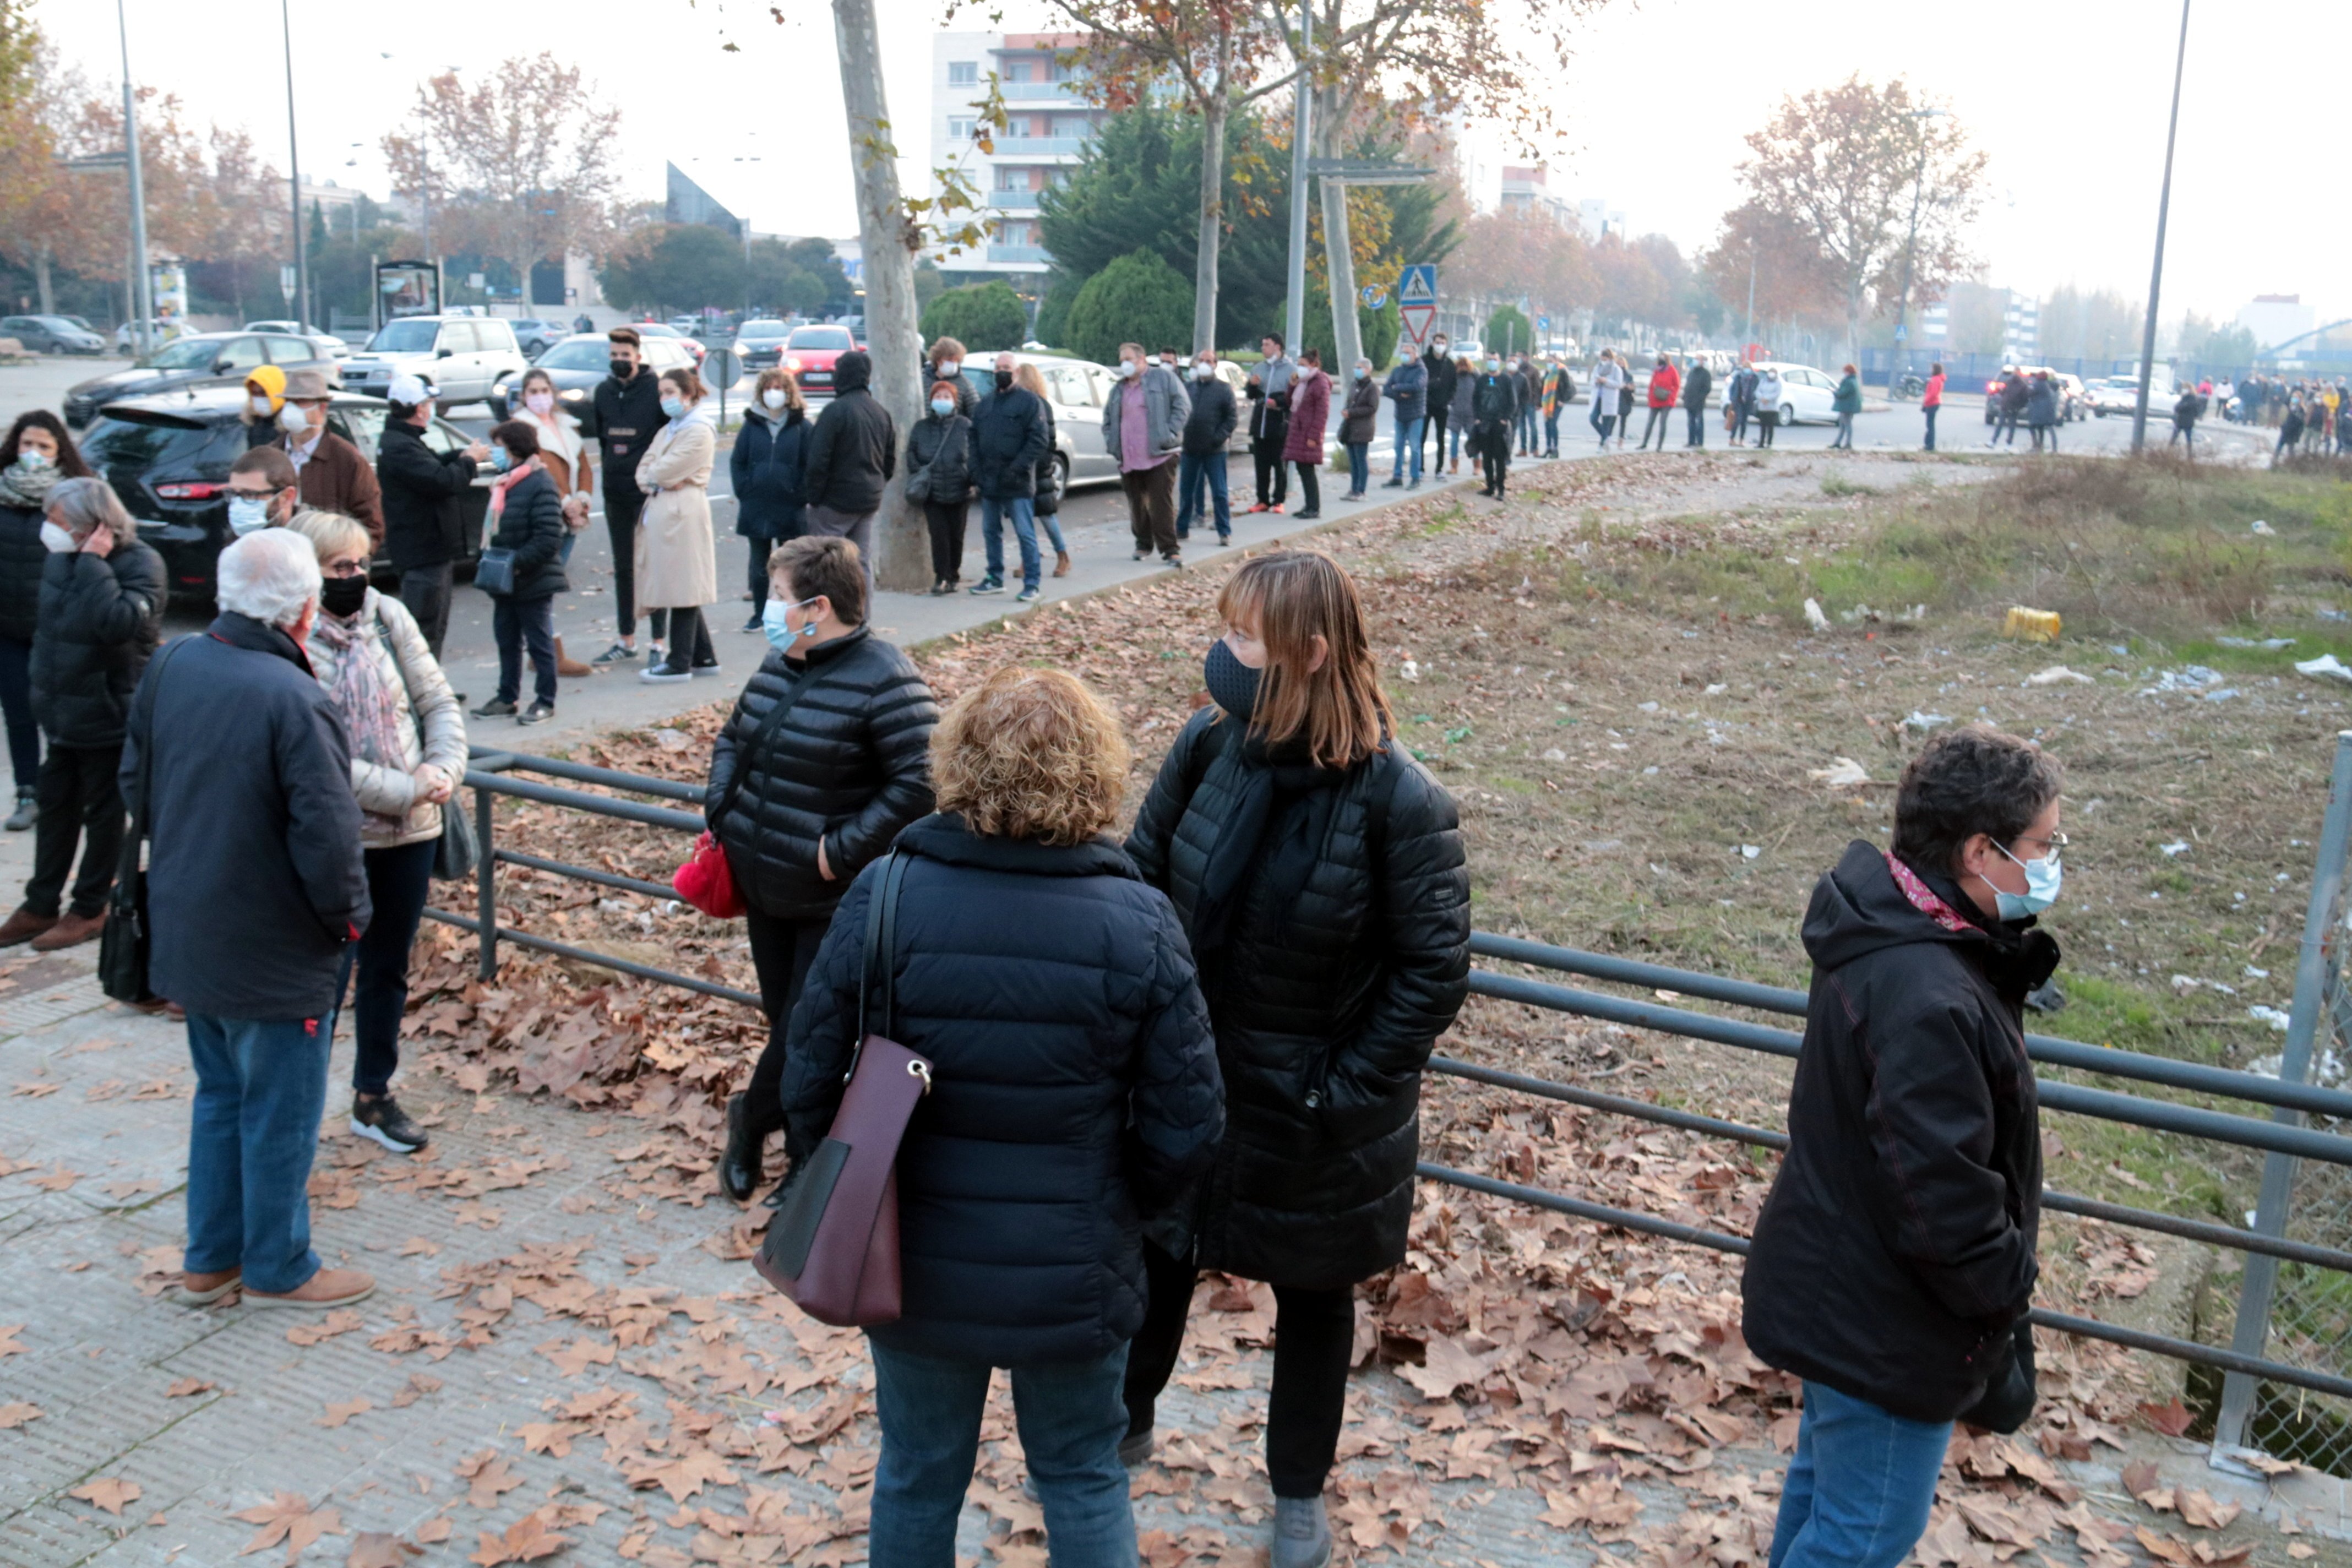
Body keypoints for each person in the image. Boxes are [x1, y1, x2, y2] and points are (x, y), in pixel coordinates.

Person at [779, 664, 1222, 1568]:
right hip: (1074, 1268)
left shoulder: (884, 897)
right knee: (1082, 1474)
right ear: (1094, 774)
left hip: (911, 1259)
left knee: (915, 1472)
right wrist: (1120, 1206)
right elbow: (1190, 1122)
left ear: (959, 763)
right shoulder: (1138, 920)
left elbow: (809, 1073)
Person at [1121, 550, 1469, 1568]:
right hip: (1189, 1077)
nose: (1221, 654)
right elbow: (1140, 882)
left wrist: (1338, 1087)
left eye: (1242, 638)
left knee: (1313, 1301)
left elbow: (1430, 973)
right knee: (1157, 1256)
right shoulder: (1208, 745)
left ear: (1310, 654)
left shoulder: (1401, 803)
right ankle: (1119, 1425)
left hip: (1314, 1112)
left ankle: (1295, 1497)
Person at [1744, 726, 2062, 1568]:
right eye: (2040, 848)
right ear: (1977, 852)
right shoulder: (1929, 993)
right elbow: (1941, 1201)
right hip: (1888, 1321)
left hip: (1842, 1286)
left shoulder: (1890, 932)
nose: (2050, 866)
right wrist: (2006, 1288)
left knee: (1826, 1500)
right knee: (1866, 1531)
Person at [132, 530, 372, 1310]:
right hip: (276, 947)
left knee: (221, 1096)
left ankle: (211, 1261)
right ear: (304, 610)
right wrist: (349, 924)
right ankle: (278, 1265)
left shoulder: (173, 663)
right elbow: (331, 843)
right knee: (279, 1112)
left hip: (189, 926)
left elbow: (137, 780)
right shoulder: (296, 697)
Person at [709, 535, 937, 1204]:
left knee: (808, 1030)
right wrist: (722, 807)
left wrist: (837, 851)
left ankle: (762, 1130)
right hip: (763, 886)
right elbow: (733, 737)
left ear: (817, 606)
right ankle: (792, 1137)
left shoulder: (885, 675)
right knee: (788, 1023)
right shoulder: (782, 660)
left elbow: (921, 781)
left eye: (779, 596)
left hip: (826, 900)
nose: (769, 607)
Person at [286, 509, 464, 1154]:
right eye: (340, 567)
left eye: (360, 563)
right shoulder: (293, 642)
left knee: (388, 968)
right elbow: (319, 758)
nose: (354, 576)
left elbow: (437, 700)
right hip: (340, 839)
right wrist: (408, 788)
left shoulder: (388, 617)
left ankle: (374, 1095)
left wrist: (443, 769)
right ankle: (298, 1108)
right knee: (324, 979)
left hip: (411, 834)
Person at [0, 477, 164, 951]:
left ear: (92, 524)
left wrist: (94, 563)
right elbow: (48, 631)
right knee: (55, 808)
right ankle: (40, 903)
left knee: (104, 814)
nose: (48, 528)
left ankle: (91, 907)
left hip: (109, 715)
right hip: (62, 715)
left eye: (57, 519)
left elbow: (117, 626)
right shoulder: (60, 557)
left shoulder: (140, 563)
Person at [0, 411, 92, 832]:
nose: (33, 454)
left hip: (55, 629)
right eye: (26, 445)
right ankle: (28, 792)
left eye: (43, 447)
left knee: (60, 714)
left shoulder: (74, 500)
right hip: (6, 628)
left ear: (60, 453)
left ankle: (69, 793)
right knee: (18, 713)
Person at [374, 374, 487, 659]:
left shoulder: (406, 441)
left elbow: (433, 464)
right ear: (418, 408)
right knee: (423, 628)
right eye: (429, 402)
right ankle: (421, 693)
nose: (432, 408)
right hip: (422, 551)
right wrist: (469, 461)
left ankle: (433, 684)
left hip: (431, 550)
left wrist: (458, 456)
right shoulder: (399, 445)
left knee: (435, 626)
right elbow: (443, 482)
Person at [578, 328, 668, 665]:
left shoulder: (656, 390)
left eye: (625, 356)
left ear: (638, 357)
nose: (619, 361)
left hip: (647, 494)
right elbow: (602, 439)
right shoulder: (603, 392)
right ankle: (626, 639)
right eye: (614, 355)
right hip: (615, 492)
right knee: (624, 568)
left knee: (653, 566)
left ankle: (659, 643)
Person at [470, 421, 570, 720]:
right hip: (506, 580)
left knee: (539, 644)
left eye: (499, 445)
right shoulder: (506, 482)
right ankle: (506, 697)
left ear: (515, 447)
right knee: (507, 640)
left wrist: (514, 564)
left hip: (531, 578)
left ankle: (545, 701)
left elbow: (549, 538)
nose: (496, 452)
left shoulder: (540, 483)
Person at [635, 366, 720, 682]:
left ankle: (680, 660)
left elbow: (660, 472)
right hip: (668, 511)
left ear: (688, 394)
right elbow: (645, 470)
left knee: (683, 585)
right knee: (680, 581)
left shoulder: (699, 430)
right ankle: (704, 655)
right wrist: (655, 477)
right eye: (661, 393)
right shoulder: (670, 429)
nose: (664, 399)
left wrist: (656, 477)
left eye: (670, 392)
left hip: (684, 512)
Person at [801, 349, 896, 587]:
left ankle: (830, 618)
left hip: (835, 502)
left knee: (824, 563)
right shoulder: (880, 412)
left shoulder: (835, 412)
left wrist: (814, 497)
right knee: (861, 561)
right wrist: (877, 484)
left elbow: (818, 461)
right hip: (869, 499)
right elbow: (890, 460)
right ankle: (861, 618)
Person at [968, 351, 1053, 600]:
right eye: (997, 368)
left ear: (1017, 372)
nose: (1001, 372)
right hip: (990, 480)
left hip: (1017, 481)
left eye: (1006, 367)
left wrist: (1017, 468)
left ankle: (1032, 584)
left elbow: (1039, 440)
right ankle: (994, 576)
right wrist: (976, 471)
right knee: (990, 531)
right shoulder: (985, 404)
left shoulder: (1029, 403)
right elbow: (973, 438)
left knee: (1025, 533)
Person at [271, 369, 383, 549]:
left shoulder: (348, 459)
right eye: (288, 402)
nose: (291, 409)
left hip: (327, 567)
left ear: (322, 408)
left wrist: (345, 564)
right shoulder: (272, 456)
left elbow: (370, 523)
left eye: (300, 402)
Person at [733, 368, 809, 624]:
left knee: (790, 564)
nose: (773, 394)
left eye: (778, 388)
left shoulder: (802, 427)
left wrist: (799, 494)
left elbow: (810, 466)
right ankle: (759, 614)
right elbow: (738, 461)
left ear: (789, 393)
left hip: (789, 505)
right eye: (768, 388)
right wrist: (745, 489)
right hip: (756, 505)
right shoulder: (752, 425)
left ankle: (791, 613)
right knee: (759, 564)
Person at [1103, 341, 1187, 568]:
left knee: (1161, 503)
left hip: (1159, 454)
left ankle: (1170, 549)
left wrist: (1169, 433)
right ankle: (1143, 543)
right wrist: (1112, 442)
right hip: (1129, 457)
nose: (1125, 365)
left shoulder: (1163, 379)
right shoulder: (1119, 388)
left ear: (1142, 360)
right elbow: (1109, 419)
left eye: (1128, 359)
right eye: (1122, 361)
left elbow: (1183, 405)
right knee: (1136, 503)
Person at [905, 378, 973, 596]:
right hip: (932, 493)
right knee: (939, 537)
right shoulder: (921, 427)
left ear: (955, 401)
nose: (942, 400)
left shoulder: (964, 425)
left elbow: (974, 454)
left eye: (947, 397)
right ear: (931, 400)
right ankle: (941, 577)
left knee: (956, 536)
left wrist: (969, 477)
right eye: (938, 396)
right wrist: (921, 472)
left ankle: (954, 574)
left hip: (959, 490)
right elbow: (911, 454)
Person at [1011, 361, 1075, 574]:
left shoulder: (1039, 404)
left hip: (1038, 469)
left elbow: (1047, 440)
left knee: (1046, 516)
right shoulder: (1021, 403)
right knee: (1023, 520)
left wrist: (1038, 463)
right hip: (1023, 468)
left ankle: (1062, 555)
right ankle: (1027, 559)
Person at [1178, 351, 1238, 543]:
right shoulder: (1188, 388)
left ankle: (1224, 531)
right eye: (1201, 361)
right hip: (1190, 448)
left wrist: (1218, 438)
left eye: (1208, 361)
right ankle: (1181, 528)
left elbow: (1232, 419)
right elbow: (1180, 412)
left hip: (1215, 450)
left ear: (1215, 365)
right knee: (1186, 491)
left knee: (1219, 492)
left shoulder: (1223, 389)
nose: (1204, 364)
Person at [1245, 334, 1294, 513]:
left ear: (1278, 347)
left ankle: (1279, 500)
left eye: (1267, 345)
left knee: (1280, 465)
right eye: (1262, 344)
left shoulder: (1290, 369)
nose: (1263, 348)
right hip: (1260, 423)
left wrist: (1279, 402)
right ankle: (1262, 500)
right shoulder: (1258, 368)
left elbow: (1293, 397)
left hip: (1279, 424)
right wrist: (1251, 385)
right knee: (1261, 465)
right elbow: (1250, 395)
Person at [1281, 347, 1329, 522]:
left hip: (1308, 433)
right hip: (1298, 430)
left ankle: (1314, 507)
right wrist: (1292, 387)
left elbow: (1322, 413)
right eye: (1298, 364)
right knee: (1303, 469)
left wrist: (1314, 436)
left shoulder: (1320, 383)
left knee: (1308, 471)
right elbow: (1289, 402)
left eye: (1303, 365)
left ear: (1313, 365)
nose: (1299, 368)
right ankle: (1309, 506)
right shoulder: (1303, 381)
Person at [227, 447, 302, 537]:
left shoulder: (316, 544)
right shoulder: (233, 547)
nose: (238, 505)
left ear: (288, 497)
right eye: (233, 494)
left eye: (249, 494)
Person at [1381, 345, 1427, 490]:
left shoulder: (1421, 371)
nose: (1405, 355)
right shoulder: (1397, 370)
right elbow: (1387, 389)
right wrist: (1399, 392)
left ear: (1415, 355)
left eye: (1408, 353)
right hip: (1400, 415)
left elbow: (1417, 387)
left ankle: (1415, 478)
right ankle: (1397, 477)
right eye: (1403, 353)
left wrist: (1397, 387)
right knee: (1398, 447)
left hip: (1415, 415)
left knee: (1415, 448)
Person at [1472, 357, 1515, 498]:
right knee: (1487, 457)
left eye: (1495, 359)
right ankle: (1490, 486)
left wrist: (1505, 419)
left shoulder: (1506, 380)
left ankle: (1501, 488)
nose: (1492, 362)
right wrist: (1477, 418)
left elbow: (1513, 402)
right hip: (1484, 424)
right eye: (1490, 359)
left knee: (1500, 458)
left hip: (1499, 424)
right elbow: (1475, 399)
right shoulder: (1482, 380)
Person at [1337, 356, 1378, 501]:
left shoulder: (1372, 387)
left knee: (1361, 460)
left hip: (1363, 429)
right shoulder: (1354, 385)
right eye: (1356, 367)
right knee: (1353, 461)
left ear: (1367, 370)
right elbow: (1350, 402)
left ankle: (1361, 490)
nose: (1357, 370)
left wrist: (1352, 413)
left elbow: (1372, 408)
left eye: (1359, 368)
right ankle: (1353, 489)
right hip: (1351, 428)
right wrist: (1346, 410)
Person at [1420, 336, 1457, 476]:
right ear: (1432, 343)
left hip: (1442, 406)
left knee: (1441, 438)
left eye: (1443, 343)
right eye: (1438, 343)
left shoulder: (1449, 364)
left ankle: (1439, 468)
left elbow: (1454, 385)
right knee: (1422, 437)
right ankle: (1420, 468)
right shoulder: (1424, 361)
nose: (1440, 346)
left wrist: (1448, 400)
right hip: (1426, 404)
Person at [239, 364, 290, 451]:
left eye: (264, 393)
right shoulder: (252, 423)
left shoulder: (290, 425)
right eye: (255, 394)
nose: (259, 398)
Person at [923, 335, 976, 418]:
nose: (954, 364)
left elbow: (976, 413)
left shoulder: (964, 384)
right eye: (950, 360)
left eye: (956, 361)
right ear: (938, 360)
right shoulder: (923, 382)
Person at [1638, 352, 1680, 451]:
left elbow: (1677, 385)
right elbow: (1652, 384)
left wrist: (1671, 395)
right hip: (1655, 400)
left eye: (1663, 358)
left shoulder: (1672, 370)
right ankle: (1644, 443)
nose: (1661, 360)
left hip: (1667, 400)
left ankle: (1659, 446)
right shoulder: (1657, 371)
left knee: (1663, 423)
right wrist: (1650, 396)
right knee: (1650, 422)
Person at [1589, 349, 1625, 448]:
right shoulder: (1598, 367)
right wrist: (1596, 382)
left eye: (1605, 359)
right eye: (1602, 359)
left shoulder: (1616, 369)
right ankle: (1606, 437)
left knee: (1606, 422)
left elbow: (1619, 384)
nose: (1603, 361)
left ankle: (1602, 444)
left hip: (1609, 398)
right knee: (1593, 419)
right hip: (1598, 397)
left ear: (1610, 359)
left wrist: (1606, 381)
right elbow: (1592, 380)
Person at [1540, 360, 1575, 458]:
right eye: (1548, 360)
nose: (1549, 363)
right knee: (1547, 424)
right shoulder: (1548, 372)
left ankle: (1555, 449)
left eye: (1551, 360)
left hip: (1558, 402)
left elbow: (1568, 387)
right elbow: (1544, 387)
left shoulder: (1562, 371)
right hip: (1548, 402)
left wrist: (1563, 400)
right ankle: (1548, 448)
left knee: (1553, 424)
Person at [1447, 355, 1476, 473]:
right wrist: (1452, 402)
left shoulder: (1474, 377)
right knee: (1454, 440)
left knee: (1473, 440)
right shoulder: (1453, 378)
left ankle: (1477, 466)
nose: (1463, 368)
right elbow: (1447, 391)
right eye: (1461, 365)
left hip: (1471, 414)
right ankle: (1454, 466)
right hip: (1456, 414)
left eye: (1465, 365)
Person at [1681, 355, 1712, 448]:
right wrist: (1685, 396)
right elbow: (1688, 385)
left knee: (1699, 423)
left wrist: (1700, 398)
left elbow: (1707, 389)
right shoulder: (1692, 372)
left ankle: (1699, 442)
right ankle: (1691, 441)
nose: (1695, 361)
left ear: (1702, 361)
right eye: (1695, 359)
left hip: (1699, 402)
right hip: (1689, 401)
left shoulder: (1706, 374)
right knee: (1691, 423)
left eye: (1698, 359)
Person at [1727, 360, 1760, 446]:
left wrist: (1754, 397)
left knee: (1744, 422)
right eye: (1745, 367)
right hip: (1738, 401)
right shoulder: (1738, 377)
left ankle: (1741, 440)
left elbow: (1757, 389)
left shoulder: (1754, 378)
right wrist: (1732, 399)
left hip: (1748, 402)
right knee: (1738, 420)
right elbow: (1732, 388)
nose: (1746, 369)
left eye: (1748, 368)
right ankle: (1732, 438)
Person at [2024, 372, 2059, 453]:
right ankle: (2053, 448)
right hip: (2048, 410)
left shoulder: (2038, 385)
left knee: (2032, 427)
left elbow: (2029, 393)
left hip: (2039, 410)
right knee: (2045, 428)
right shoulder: (2047, 384)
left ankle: (2036, 446)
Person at [1830, 364, 1862, 450]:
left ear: (1848, 372)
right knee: (1843, 425)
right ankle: (1838, 443)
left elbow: (1842, 394)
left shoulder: (1848, 382)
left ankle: (1848, 444)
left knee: (1846, 426)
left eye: (1845, 371)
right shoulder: (1854, 380)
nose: (1844, 373)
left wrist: (1834, 392)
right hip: (1850, 407)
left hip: (1846, 408)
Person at [1754, 364, 1785, 448]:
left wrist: (1767, 399)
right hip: (1762, 408)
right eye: (1770, 373)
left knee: (1770, 427)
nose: (1771, 374)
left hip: (1772, 408)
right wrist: (1762, 398)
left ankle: (1769, 443)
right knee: (1762, 427)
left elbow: (1777, 394)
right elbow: (1758, 391)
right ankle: (1761, 443)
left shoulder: (1778, 383)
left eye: (1773, 373)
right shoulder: (1763, 381)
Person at [2169, 384, 2202, 455]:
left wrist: (2182, 408)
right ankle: (2188, 454)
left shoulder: (2191, 400)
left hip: (2185, 422)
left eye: (2185, 389)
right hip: (2183, 421)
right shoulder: (2186, 399)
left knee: (2179, 437)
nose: (2183, 391)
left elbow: (2180, 408)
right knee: (2183, 438)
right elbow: (2177, 408)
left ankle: (2189, 455)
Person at [1921, 362, 1945, 452]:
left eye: (1932, 368)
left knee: (1930, 425)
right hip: (1934, 403)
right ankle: (1929, 444)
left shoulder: (1935, 380)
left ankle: (1930, 445)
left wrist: (1925, 402)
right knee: (1930, 425)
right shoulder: (1938, 379)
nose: (1930, 370)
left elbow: (1932, 394)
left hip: (1932, 404)